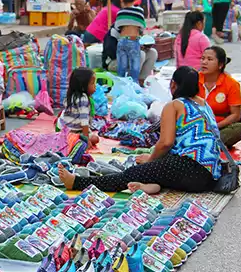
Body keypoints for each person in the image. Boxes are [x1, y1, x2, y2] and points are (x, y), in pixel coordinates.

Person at [58, 66, 223, 194]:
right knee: (156, 168)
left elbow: (166, 143)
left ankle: (77, 182)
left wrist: (151, 159)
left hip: (190, 171)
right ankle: (153, 185)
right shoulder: (203, 103)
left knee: (132, 173)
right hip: (210, 176)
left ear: (173, 84)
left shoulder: (174, 105)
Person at [198, 46, 241, 148]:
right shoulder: (194, 79)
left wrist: (214, 127)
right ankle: (208, 144)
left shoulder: (232, 84)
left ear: (220, 65)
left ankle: (207, 144)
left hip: (219, 126)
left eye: (209, 59)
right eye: (203, 58)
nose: (204, 62)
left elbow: (235, 115)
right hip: (195, 125)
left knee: (239, 128)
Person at [56, 67, 99, 146]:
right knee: (95, 139)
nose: (95, 86)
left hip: (63, 127)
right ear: (83, 86)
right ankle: (71, 140)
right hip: (70, 132)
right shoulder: (83, 99)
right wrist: (86, 140)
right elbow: (84, 121)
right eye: (92, 83)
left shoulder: (72, 94)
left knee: (93, 137)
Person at [113, 0, 146, 81]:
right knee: (134, 67)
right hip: (133, 40)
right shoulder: (139, 11)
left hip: (122, 40)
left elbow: (117, 26)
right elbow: (142, 25)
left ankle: (120, 86)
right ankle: (134, 86)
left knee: (121, 67)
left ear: (121, 0)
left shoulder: (120, 12)